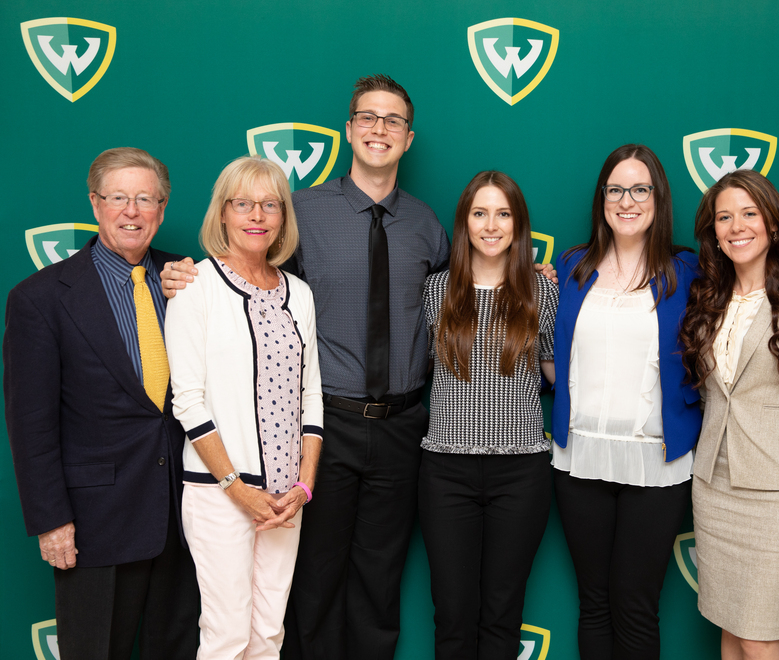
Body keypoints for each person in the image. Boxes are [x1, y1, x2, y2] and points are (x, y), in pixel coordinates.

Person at [163, 74, 450, 659]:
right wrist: (179, 275)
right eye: (367, 117)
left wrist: (537, 277)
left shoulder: (427, 225)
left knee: (379, 579)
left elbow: (464, 292)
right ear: (348, 129)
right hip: (325, 427)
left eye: (392, 120)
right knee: (309, 583)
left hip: (400, 425)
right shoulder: (303, 211)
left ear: (408, 137)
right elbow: (246, 271)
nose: (379, 129)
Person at [4, 147, 198, 660]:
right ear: (95, 204)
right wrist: (51, 521)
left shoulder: (190, 282)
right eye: (118, 198)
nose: (131, 211)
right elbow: (31, 423)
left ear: (161, 207)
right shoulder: (41, 298)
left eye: (145, 198)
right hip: (95, 522)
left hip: (185, 515)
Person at [164, 155, 323, 659]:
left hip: (284, 500)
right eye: (243, 203)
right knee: (227, 635)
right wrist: (236, 487)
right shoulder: (196, 286)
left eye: (270, 205)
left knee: (268, 634)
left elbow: (310, 395)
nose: (257, 215)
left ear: (282, 218)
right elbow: (186, 401)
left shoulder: (298, 294)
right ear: (224, 213)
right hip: (219, 494)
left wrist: (303, 485)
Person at [678, 169, 779, 660]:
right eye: (724, 217)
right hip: (715, 484)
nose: (736, 226)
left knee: (758, 633)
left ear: (772, 222)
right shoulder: (708, 295)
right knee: (730, 627)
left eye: (749, 213)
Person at [550, 144, 701, 659]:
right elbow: (559, 357)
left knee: (636, 605)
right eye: (616, 189)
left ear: (658, 198)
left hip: (656, 459)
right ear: (602, 199)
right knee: (593, 602)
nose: (627, 200)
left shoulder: (690, 272)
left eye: (640, 189)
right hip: (580, 457)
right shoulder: (572, 266)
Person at [419, 171, 558, 659]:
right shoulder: (435, 290)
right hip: (446, 471)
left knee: (502, 614)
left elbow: (557, 373)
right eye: (480, 213)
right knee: (453, 614)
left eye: (504, 214)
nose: (492, 225)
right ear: (465, 223)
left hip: (520, 472)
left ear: (519, 226)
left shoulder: (541, 292)